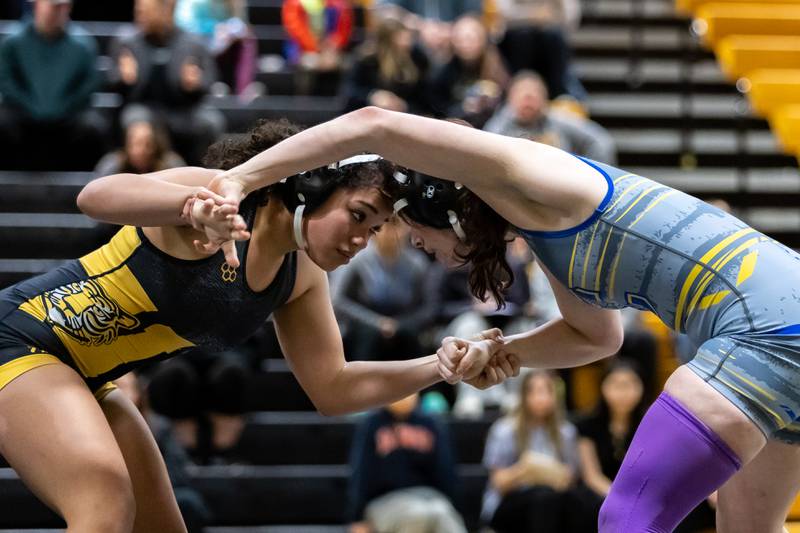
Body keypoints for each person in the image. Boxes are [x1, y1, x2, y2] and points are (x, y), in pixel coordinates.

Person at [202, 106, 800, 533]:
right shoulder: (550, 230)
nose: (413, 244)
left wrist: (243, 178)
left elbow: (371, 125)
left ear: (441, 204)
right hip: (779, 325)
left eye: (408, 229)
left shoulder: (524, 174)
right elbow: (596, 336)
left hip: (768, 329)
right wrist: (501, 353)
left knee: (627, 518)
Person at [0, 117, 519, 533]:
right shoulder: (223, 196)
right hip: (22, 339)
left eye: (377, 228)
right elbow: (95, 196)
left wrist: (439, 365)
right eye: (358, 215)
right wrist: (189, 207)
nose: (362, 239)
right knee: (105, 504)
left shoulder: (302, 276)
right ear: (314, 185)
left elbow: (333, 390)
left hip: (89, 377)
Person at [109, 0, 226, 165]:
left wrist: (194, 85)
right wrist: (124, 79)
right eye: (138, 11)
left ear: (167, 9)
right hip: (144, 108)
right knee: (133, 119)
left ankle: (204, 175)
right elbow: (110, 81)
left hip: (182, 111)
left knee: (211, 122)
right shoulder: (127, 42)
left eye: (144, 12)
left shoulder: (193, 43)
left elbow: (209, 81)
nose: (139, 17)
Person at [482, 369, 595, 533]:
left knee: (579, 501)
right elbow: (499, 483)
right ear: (523, 396)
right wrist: (527, 469)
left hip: (554, 500)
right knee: (543, 496)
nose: (540, 398)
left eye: (545, 391)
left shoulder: (566, 432)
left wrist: (552, 473)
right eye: (533, 391)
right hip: (510, 503)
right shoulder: (504, 430)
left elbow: (570, 479)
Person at [0, 0, 108, 170]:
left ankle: (84, 190)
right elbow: (6, 82)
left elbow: (89, 85)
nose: (57, 11)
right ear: (36, 5)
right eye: (52, 6)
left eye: (62, 6)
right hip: (23, 117)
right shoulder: (12, 42)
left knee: (92, 127)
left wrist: (61, 109)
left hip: (67, 119)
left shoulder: (83, 45)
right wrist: (33, 107)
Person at [347, 393, 467, 533]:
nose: (405, 396)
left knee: (443, 514)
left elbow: (447, 473)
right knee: (416, 514)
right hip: (385, 501)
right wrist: (357, 518)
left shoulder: (431, 422)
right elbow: (361, 474)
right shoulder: (372, 424)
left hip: (429, 497)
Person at [484, 71, 616, 164]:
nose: (528, 100)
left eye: (534, 95)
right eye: (522, 95)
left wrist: (593, 176)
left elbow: (601, 141)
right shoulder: (497, 129)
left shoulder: (558, 120)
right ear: (510, 99)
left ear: (544, 99)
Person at [343, 18, 433, 115]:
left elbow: (426, 98)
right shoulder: (367, 60)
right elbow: (349, 93)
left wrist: (405, 105)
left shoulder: (417, 58)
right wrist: (372, 96)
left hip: (407, 116)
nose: (406, 45)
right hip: (371, 116)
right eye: (399, 42)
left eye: (408, 41)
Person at [95, 113, 186, 176]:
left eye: (147, 144)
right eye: (135, 144)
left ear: (155, 145)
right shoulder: (112, 166)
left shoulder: (172, 165)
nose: (140, 151)